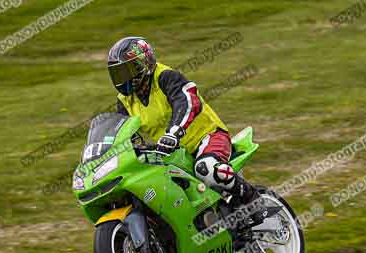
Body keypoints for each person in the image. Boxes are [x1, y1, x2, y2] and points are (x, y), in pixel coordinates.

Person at [107, 36, 263, 223]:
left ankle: (254, 200)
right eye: (118, 74)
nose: (122, 79)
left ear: (144, 63)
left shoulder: (165, 77)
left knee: (206, 169)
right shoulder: (124, 101)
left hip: (207, 137)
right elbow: (123, 132)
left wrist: (174, 133)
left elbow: (188, 102)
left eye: (127, 71)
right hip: (171, 153)